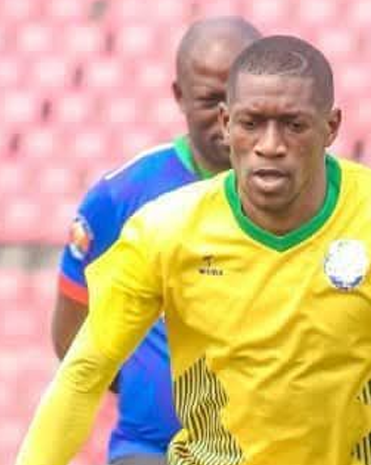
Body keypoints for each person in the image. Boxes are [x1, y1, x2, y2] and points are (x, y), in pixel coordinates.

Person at [19, 35, 371, 465]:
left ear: (331, 127)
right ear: (226, 124)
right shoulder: (164, 231)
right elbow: (82, 374)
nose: (270, 144)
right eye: (251, 123)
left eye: (293, 124)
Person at [51, 17, 261, 465]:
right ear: (179, 96)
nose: (226, 116)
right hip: (150, 450)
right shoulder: (122, 195)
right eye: (209, 100)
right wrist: (147, 388)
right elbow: (71, 332)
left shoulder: (309, 196)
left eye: (239, 98)